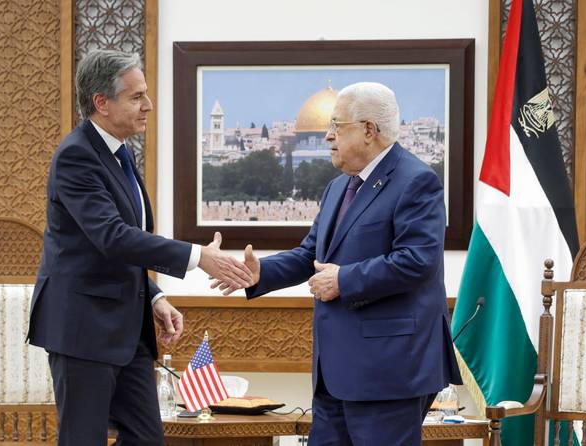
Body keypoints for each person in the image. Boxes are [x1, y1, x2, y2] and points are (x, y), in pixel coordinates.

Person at [214, 82, 462, 445]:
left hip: (388, 372)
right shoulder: (338, 187)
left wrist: (345, 280)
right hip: (334, 373)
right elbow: (311, 255)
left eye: (336, 125)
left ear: (368, 130)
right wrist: (259, 273)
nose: (328, 135)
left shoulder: (416, 180)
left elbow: (418, 260)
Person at [27, 49, 252, 446]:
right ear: (102, 103)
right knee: (84, 439)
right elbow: (111, 237)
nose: (148, 105)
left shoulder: (119, 152)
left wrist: (153, 297)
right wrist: (199, 257)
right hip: (83, 328)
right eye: (136, 97)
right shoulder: (77, 156)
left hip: (127, 329)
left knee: (147, 438)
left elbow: (121, 247)